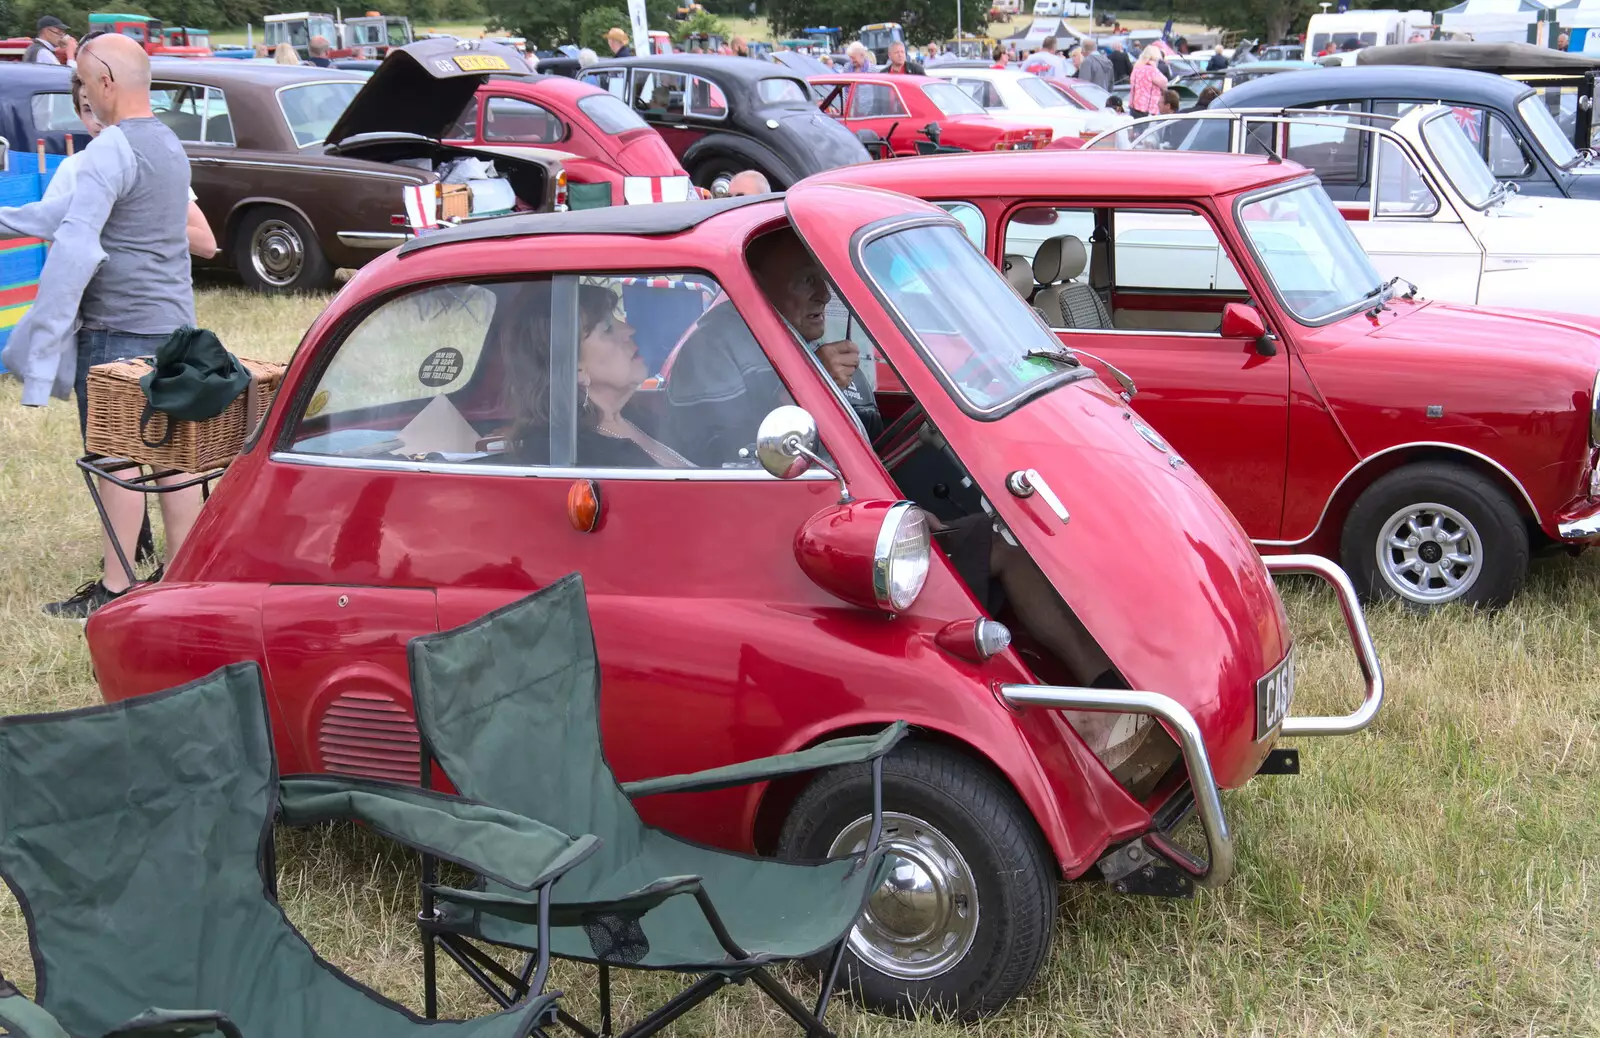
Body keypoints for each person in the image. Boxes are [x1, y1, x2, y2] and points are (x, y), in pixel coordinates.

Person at [0, 33, 203, 617]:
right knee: (170, 457)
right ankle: (183, 583)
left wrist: (36, 358)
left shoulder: (111, 149)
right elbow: (61, 214)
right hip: (173, 327)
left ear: (106, 83)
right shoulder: (167, 143)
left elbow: (72, 250)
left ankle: (117, 590)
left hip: (117, 331)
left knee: (118, 461)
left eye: (85, 86)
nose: (84, 97)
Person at [505, 283, 690, 469]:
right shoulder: (572, 458)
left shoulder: (639, 419)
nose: (629, 329)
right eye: (607, 329)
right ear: (576, 369)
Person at [1128, 45, 1168, 118]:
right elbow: (1164, 83)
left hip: (1134, 106)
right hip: (1148, 108)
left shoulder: (1136, 68)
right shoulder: (1151, 70)